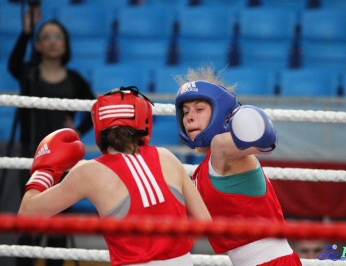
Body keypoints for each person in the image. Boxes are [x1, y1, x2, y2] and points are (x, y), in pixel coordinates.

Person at [19, 86, 212, 266]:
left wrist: (44, 172)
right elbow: (204, 223)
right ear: (143, 118)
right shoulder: (167, 157)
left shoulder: (89, 172)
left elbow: (26, 217)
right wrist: (170, 251)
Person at [174, 66, 302, 266]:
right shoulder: (202, 171)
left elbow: (264, 137)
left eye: (199, 109)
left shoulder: (222, 151)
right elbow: (198, 228)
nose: (190, 117)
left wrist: (239, 120)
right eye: (185, 111)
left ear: (222, 113)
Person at [8, 6, 96, 266]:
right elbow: (13, 63)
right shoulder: (28, 73)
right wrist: (26, 31)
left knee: (58, 219)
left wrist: (78, 130)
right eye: (46, 36)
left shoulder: (75, 79)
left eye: (58, 37)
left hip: (65, 160)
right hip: (30, 155)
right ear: (38, 44)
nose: (53, 42)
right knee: (31, 217)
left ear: (66, 43)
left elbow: (94, 110)